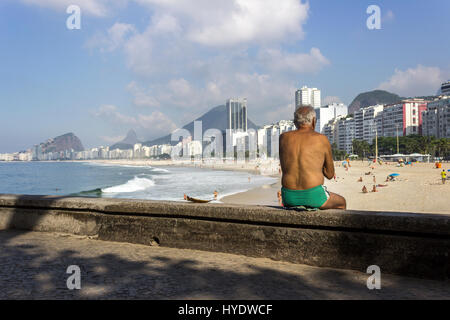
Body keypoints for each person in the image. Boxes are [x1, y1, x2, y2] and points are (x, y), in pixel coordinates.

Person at [279, 105, 346, 210]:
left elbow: (286, 166)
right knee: (341, 202)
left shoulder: (283, 138)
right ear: (314, 121)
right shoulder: (321, 139)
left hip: (288, 197)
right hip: (313, 196)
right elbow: (330, 174)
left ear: (295, 122)